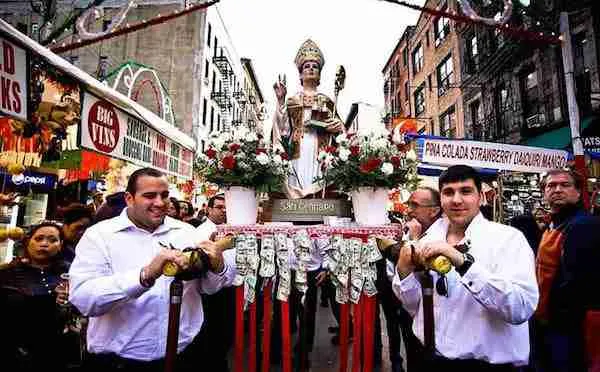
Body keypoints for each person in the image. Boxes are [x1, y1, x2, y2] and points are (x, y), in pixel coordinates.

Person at [68, 168, 235, 372]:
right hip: (119, 363)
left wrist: (217, 266)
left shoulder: (187, 232)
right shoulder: (99, 236)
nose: (159, 203)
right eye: (149, 196)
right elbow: (84, 301)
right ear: (130, 198)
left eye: (164, 195)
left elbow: (208, 289)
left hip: (186, 357)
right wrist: (145, 275)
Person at [393, 165, 538, 371]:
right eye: (448, 192)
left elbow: (520, 307)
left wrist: (463, 263)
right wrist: (404, 272)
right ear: (441, 199)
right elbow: (413, 306)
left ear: (480, 196)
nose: (456, 200)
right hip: (431, 360)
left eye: (466, 191)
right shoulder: (427, 239)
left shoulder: (508, 239)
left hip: (487, 366)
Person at [534, 169, 600, 372]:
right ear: (544, 193)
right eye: (551, 186)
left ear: (579, 192)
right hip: (549, 322)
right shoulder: (552, 225)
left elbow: (578, 284)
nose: (557, 190)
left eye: (565, 185)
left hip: (570, 328)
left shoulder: (584, 225)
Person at [272, 39, 345, 198]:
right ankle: (297, 199)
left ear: (319, 74)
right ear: (300, 74)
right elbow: (283, 128)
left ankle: (317, 200)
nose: (311, 69)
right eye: (307, 66)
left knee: (318, 177)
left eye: (315, 67)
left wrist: (338, 127)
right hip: (298, 145)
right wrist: (280, 100)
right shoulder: (292, 101)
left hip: (320, 148)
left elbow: (341, 132)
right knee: (297, 177)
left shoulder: (327, 100)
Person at [0, 222, 73, 371]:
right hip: (13, 353)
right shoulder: (6, 274)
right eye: (39, 239)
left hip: (57, 352)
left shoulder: (71, 273)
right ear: (28, 242)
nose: (44, 244)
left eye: (53, 240)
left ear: (61, 245)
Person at [191, 193, 234, 372]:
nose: (223, 211)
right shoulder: (200, 233)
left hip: (230, 292)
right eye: (219, 207)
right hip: (209, 296)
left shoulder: (233, 230)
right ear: (208, 209)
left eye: (226, 208)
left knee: (224, 340)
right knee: (212, 342)